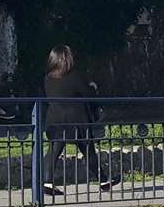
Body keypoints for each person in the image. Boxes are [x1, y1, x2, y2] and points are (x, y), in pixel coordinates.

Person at [41, 44, 118, 195]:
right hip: (76, 119)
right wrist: (93, 87)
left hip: (55, 118)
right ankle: (103, 181)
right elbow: (88, 95)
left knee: (54, 150)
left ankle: (47, 181)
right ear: (67, 59)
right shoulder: (75, 76)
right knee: (88, 149)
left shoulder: (48, 78)